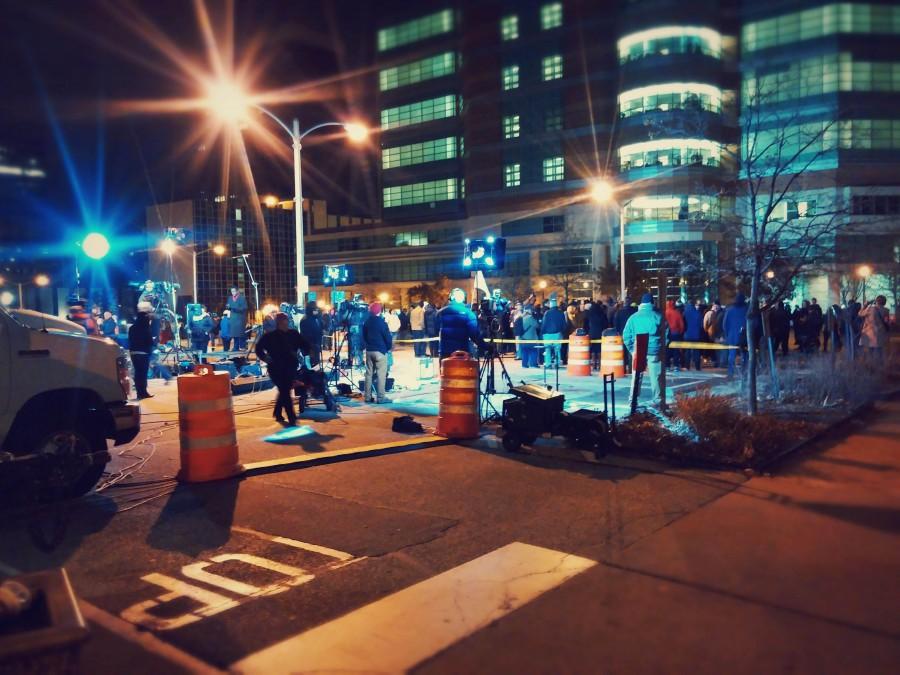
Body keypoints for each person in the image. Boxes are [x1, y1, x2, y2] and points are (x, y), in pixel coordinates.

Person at [255, 312, 310, 426]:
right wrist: (265, 358)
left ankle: (277, 412)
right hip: (276, 369)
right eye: (283, 321)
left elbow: (304, 345)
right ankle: (292, 418)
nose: (285, 323)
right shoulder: (270, 336)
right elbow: (258, 348)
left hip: (290, 368)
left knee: (284, 390)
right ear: (278, 323)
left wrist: (309, 350)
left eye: (286, 321)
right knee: (285, 390)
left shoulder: (293, 334)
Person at [622, 293, 668, 407]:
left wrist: (632, 349)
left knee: (636, 377)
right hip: (654, 350)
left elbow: (626, 336)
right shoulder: (658, 316)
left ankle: (633, 400)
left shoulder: (633, 318)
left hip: (638, 350)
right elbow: (666, 334)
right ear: (652, 303)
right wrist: (662, 347)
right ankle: (657, 400)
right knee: (656, 377)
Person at [438, 288, 484, 359]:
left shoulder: (440, 313)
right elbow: (475, 335)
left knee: (445, 369)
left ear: (451, 298)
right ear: (463, 299)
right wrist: (486, 346)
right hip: (463, 353)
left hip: (445, 353)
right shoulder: (469, 314)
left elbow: (435, 330)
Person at [362, 302, 393, 403]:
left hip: (369, 350)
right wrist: (387, 348)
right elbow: (388, 338)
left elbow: (364, 336)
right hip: (380, 351)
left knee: (368, 374)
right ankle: (381, 398)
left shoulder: (366, 322)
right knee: (381, 375)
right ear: (380, 311)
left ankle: (367, 397)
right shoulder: (382, 323)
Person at [128, 309, 154, 400]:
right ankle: (144, 392)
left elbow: (130, 340)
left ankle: (139, 392)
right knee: (143, 373)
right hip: (143, 353)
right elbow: (150, 341)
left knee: (137, 373)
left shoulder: (132, 328)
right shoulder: (145, 328)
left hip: (134, 352)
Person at [723, 293, 749, 378]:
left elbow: (725, 324)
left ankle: (731, 372)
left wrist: (727, 334)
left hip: (732, 336)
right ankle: (744, 372)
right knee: (744, 355)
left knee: (731, 355)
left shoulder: (729, 310)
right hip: (744, 336)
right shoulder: (746, 310)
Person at [540, 298, 566, 367]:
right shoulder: (561, 313)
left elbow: (544, 324)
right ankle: (557, 363)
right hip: (557, 334)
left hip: (547, 334)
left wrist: (542, 333)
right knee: (557, 350)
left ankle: (548, 364)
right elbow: (564, 324)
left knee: (547, 349)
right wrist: (563, 332)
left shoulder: (547, 313)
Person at [584, 297, 609, 370]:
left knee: (592, 350)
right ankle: (600, 365)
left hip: (592, 334)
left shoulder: (589, 315)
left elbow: (586, 325)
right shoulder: (602, 315)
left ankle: (593, 365)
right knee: (599, 350)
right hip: (600, 334)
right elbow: (606, 324)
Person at [299, 301, 324, 367]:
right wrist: (311, 348)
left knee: (316, 365)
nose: (316, 311)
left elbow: (321, 328)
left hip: (316, 345)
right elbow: (305, 336)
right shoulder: (305, 320)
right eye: (314, 309)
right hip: (310, 348)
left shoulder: (317, 318)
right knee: (311, 366)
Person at [664, 299, 685, 371]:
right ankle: (676, 366)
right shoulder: (677, 313)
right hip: (676, 333)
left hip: (666, 334)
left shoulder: (664, 313)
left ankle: (667, 365)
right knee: (676, 350)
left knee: (667, 350)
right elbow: (681, 325)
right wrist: (680, 332)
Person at [682, 299, 703, 370]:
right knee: (696, 351)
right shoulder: (698, 313)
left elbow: (683, 324)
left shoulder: (685, 313)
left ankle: (687, 366)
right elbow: (701, 325)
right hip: (696, 335)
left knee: (687, 351)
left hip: (687, 335)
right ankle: (697, 366)